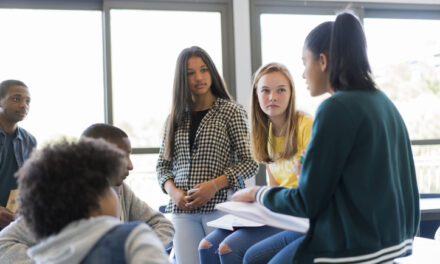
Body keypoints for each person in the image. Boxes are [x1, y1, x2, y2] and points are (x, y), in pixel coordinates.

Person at [233, 11, 420, 263]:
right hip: (390, 244)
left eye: (304, 62)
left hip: (351, 249)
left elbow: (307, 202)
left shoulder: (335, 107)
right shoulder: (382, 101)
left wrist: (257, 193)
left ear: (322, 61)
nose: (303, 74)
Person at [0, 123, 174, 264]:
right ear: (91, 202)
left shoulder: (121, 190)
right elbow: (4, 242)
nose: (130, 165)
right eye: (123, 156)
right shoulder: (134, 242)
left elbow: (162, 224)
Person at [198, 62, 313, 264]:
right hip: (278, 211)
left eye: (281, 90)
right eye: (265, 91)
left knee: (227, 248)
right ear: (257, 95)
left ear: (291, 94)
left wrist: (258, 196)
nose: (273, 97)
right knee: (206, 246)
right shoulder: (265, 133)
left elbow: (311, 187)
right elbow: (274, 187)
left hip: (298, 215)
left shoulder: (306, 126)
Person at [156, 46, 258, 264]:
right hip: (182, 213)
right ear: (182, 79)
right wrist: (174, 193)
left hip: (220, 206)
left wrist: (214, 185)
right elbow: (162, 167)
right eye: (190, 73)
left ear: (212, 72)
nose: (198, 77)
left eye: (203, 70)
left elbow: (250, 161)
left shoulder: (231, 111)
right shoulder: (173, 118)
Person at [0, 80, 36, 230]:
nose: (23, 105)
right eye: (16, 99)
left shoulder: (29, 140)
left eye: (27, 101)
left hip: (12, 220)